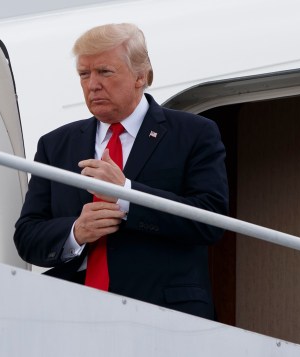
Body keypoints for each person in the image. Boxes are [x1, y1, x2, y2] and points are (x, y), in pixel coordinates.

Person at [13, 23, 228, 320]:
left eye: (104, 72)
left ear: (141, 76)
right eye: (84, 74)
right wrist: (75, 232)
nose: (92, 85)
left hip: (164, 311)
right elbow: (27, 237)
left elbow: (211, 220)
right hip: (71, 312)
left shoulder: (194, 133)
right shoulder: (56, 144)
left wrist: (126, 195)